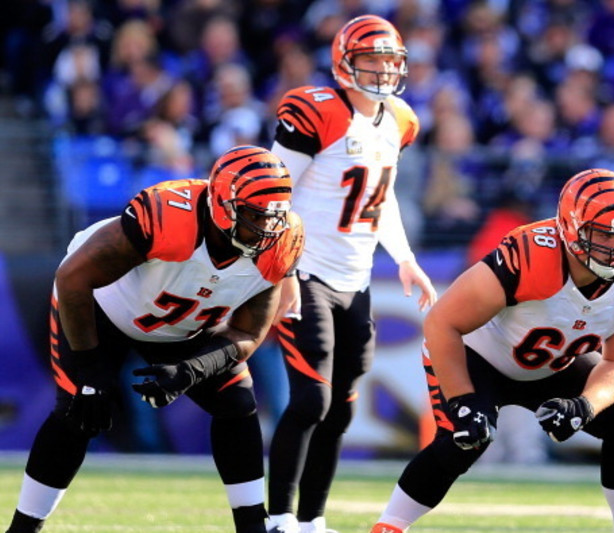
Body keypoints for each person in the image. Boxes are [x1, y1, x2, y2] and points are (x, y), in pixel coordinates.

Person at [4, 145, 304, 533]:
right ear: (222, 206)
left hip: (184, 324)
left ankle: (252, 527)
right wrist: (91, 372)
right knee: (77, 413)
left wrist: (190, 371)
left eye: (275, 217)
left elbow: (248, 331)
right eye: (255, 216)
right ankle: (22, 529)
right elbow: (73, 278)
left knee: (237, 402)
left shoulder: (282, 241)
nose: (268, 229)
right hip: (103, 307)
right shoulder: (168, 217)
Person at [372, 169, 614, 533]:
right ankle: (389, 526)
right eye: (604, 233)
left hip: (551, 366)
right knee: (464, 440)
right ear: (572, 228)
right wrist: (464, 399)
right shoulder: (531, 255)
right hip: (478, 355)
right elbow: (441, 322)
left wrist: (584, 405)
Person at [266, 15, 438, 533]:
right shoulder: (317, 112)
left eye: (391, 60)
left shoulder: (400, 119)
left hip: (356, 280)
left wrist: (404, 258)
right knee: (310, 399)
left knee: (340, 408)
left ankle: (312, 520)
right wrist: (285, 269)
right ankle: (277, 519)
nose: (384, 71)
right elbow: (271, 196)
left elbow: (380, 201)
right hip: (308, 272)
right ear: (344, 63)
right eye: (372, 60)